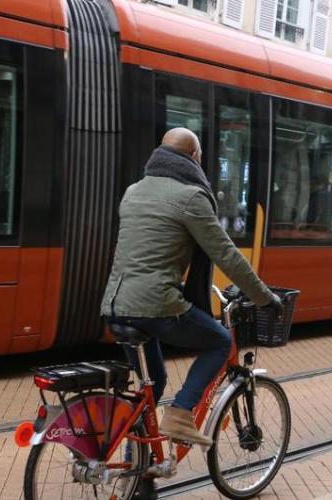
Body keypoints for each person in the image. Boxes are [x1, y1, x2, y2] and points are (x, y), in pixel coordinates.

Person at [101, 128, 282, 448]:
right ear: (194, 158)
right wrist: (263, 297)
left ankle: (137, 471)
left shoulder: (134, 190)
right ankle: (181, 413)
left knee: (151, 388)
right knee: (220, 341)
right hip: (154, 304)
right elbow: (225, 253)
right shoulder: (191, 197)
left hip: (116, 305)